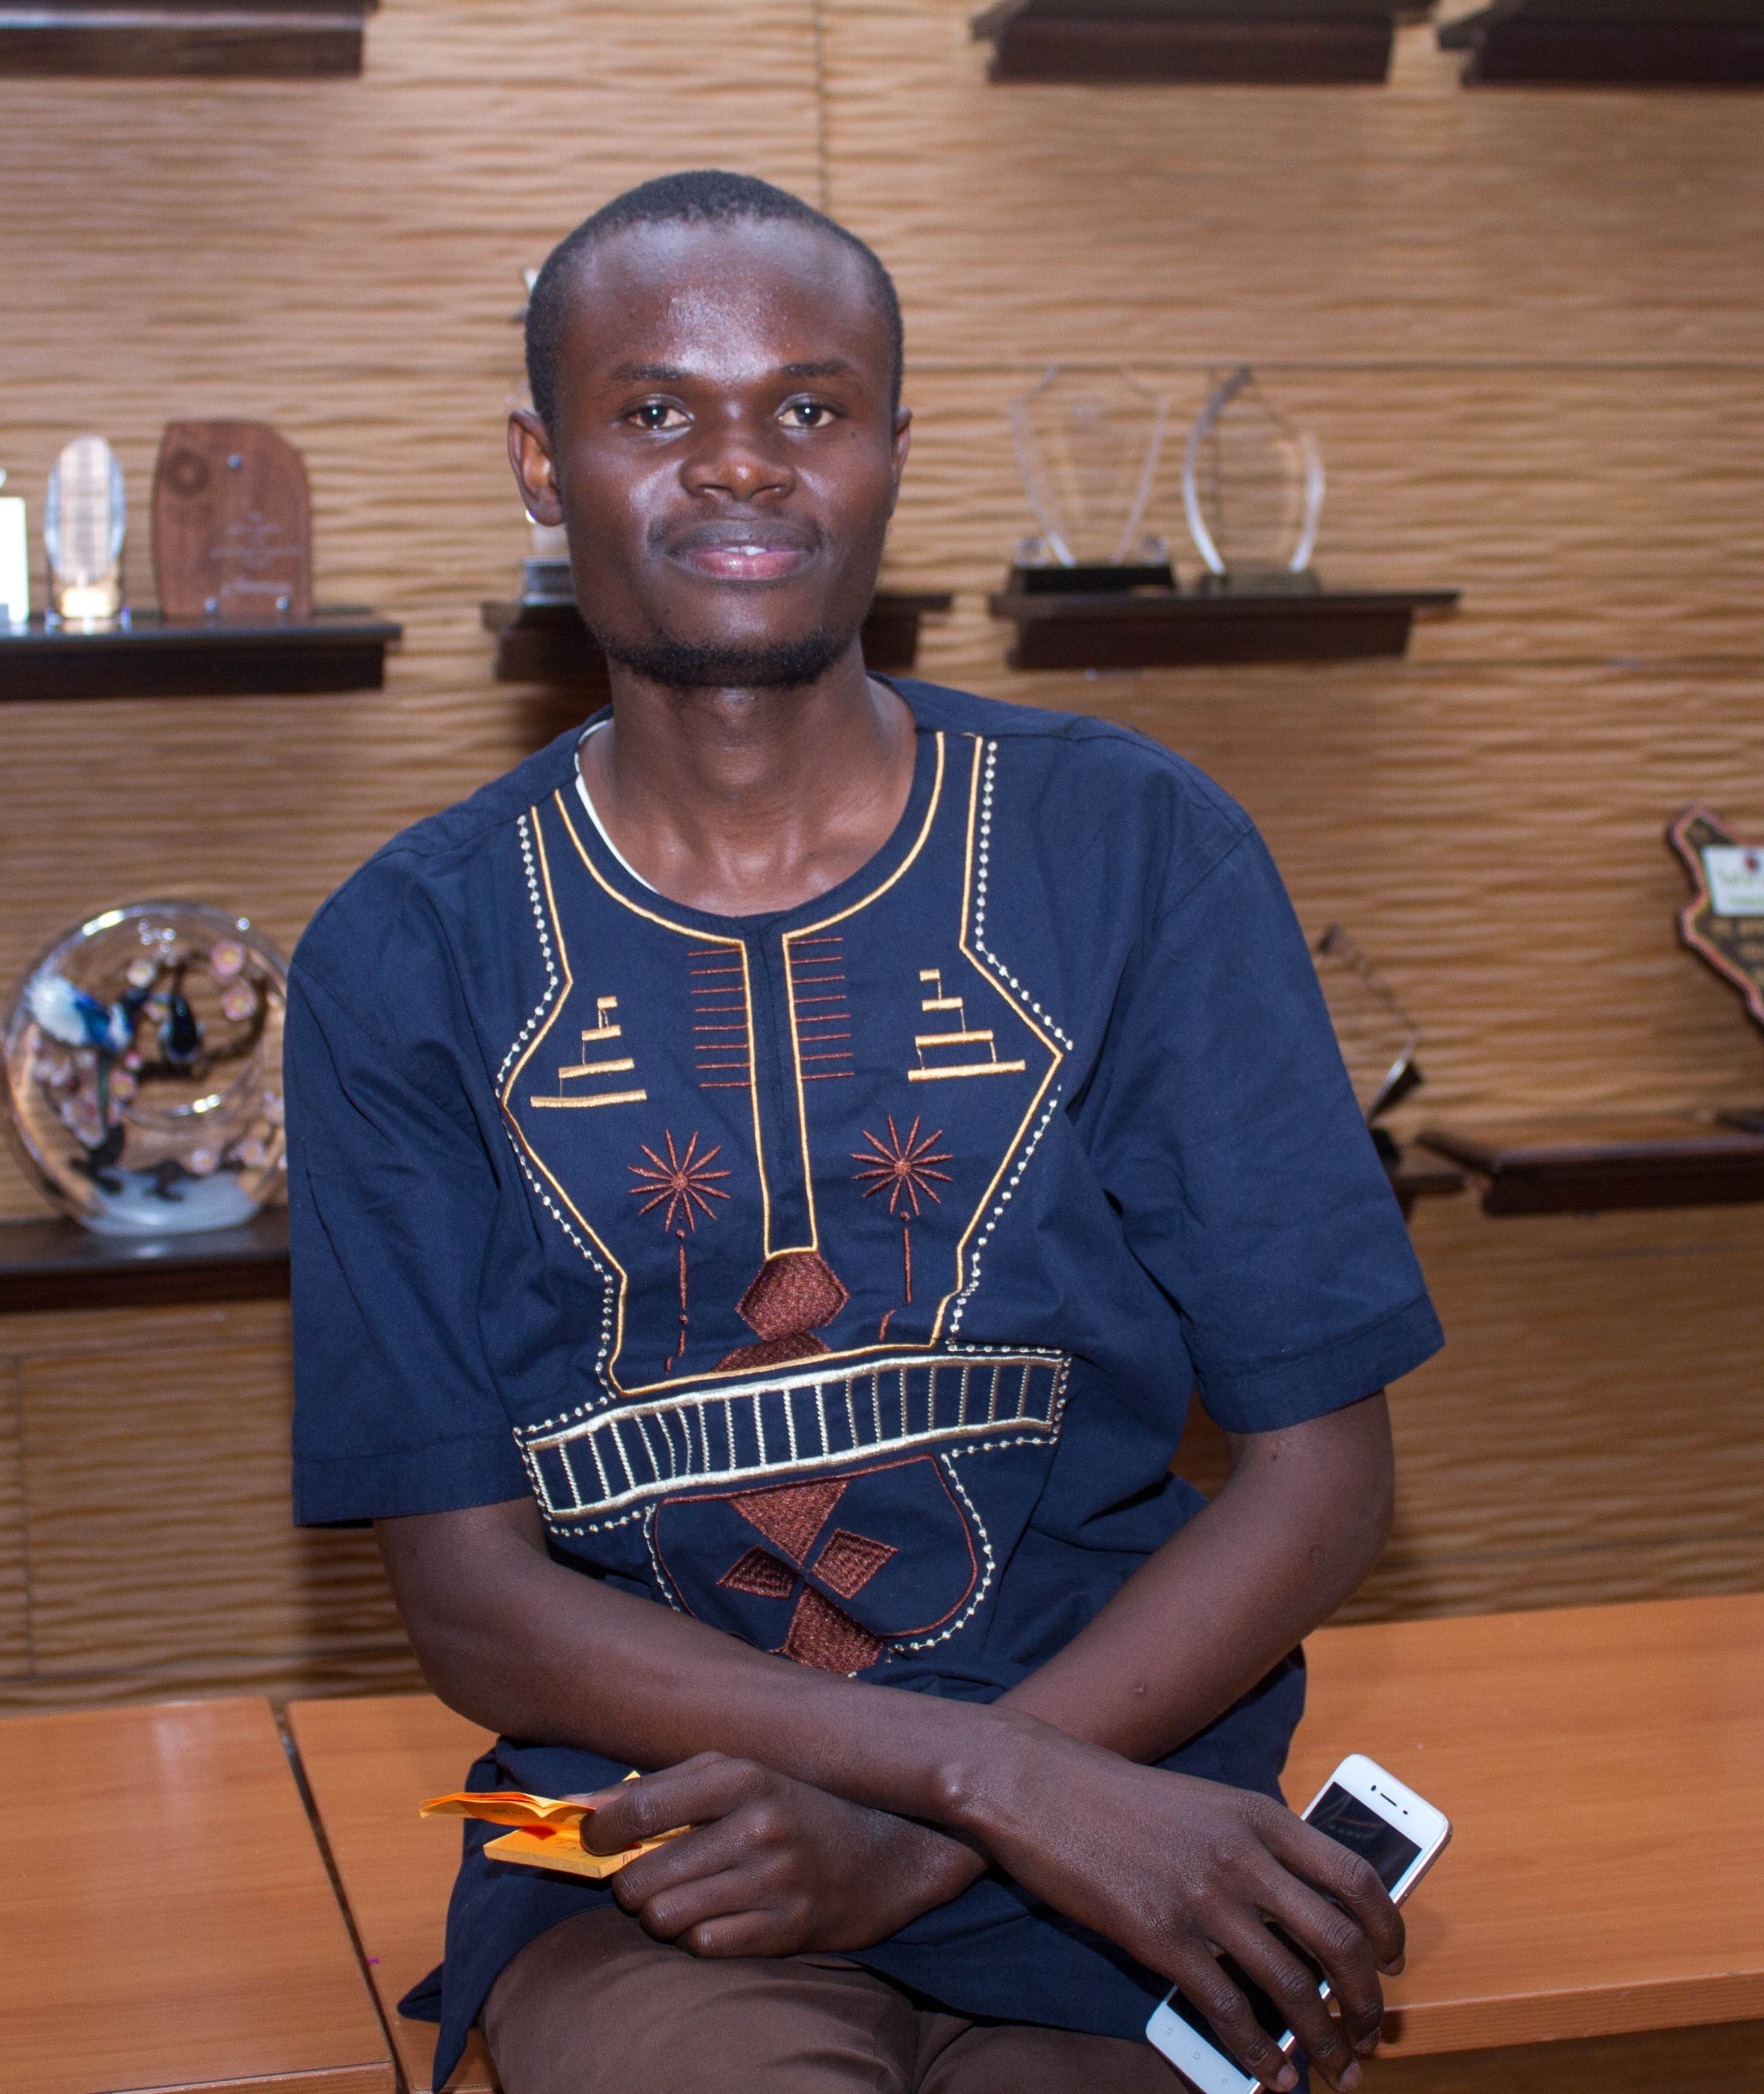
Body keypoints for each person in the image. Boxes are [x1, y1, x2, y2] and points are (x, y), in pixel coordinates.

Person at [287, 170, 1444, 2094]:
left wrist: (960, 1828)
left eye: (808, 408)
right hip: (665, 1845)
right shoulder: (405, 953)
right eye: (655, 409)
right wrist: (968, 1785)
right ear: (537, 461)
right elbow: (467, 1595)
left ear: (895, 457)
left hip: (1141, 1802)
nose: (739, 468)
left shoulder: (1139, 851)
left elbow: (1324, 1469)